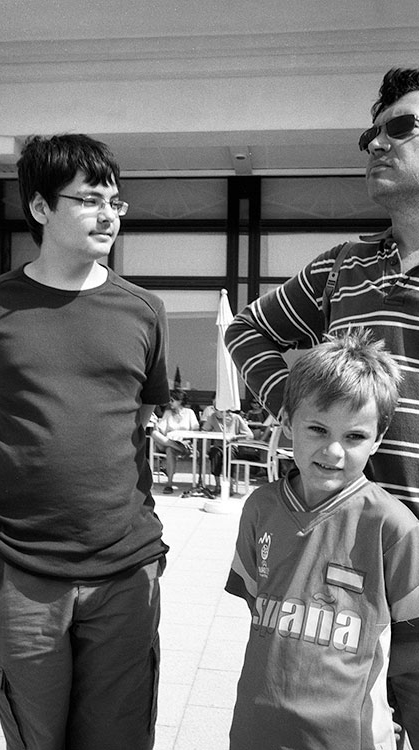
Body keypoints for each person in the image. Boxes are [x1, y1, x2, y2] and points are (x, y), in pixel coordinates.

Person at [0, 134, 170, 750]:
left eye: (115, 201)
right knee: (36, 739)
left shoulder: (144, 310)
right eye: (89, 200)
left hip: (124, 567)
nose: (108, 215)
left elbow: (142, 423)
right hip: (18, 565)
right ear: (40, 207)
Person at [225, 66, 419, 747]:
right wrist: (295, 408)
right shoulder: (343, 266)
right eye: (373, 133)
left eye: (402, 127)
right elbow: (247, 329)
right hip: (343, 551)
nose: (377, 143)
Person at [226, 329, 419, 750]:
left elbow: (413, 651)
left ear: (378, 439)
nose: (333, 451)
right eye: (317, 428)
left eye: (354, 436)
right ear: (287, 421)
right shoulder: (260, 509)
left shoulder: (394, 528)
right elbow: (259, 607)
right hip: (255, 733)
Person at [151, 389, 199, 494]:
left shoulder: (189, 413)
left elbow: (195, 430)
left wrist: (186, 439)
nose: (170, 403)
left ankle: (169, 484)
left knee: (170, 449)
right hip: (168, 442)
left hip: (184, 443)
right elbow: (161, 430)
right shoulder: (168, 413)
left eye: (172, 400)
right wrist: (155, 424)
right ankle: (175, 445)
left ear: (180, 401)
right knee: (154, 433)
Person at [202, 409, 254, 494]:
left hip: (232, 445)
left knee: (229, 454)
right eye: (216, 410)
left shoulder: (236, 418)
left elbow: (250, 435)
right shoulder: (213, 417)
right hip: (218, 445)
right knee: (215, 453)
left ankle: (230, 485)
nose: (218, 412)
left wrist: (235, 437)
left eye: (221, 411)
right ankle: (218, 485)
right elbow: (204, 430)